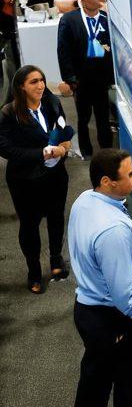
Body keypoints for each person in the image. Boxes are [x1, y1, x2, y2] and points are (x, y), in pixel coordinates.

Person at [69, 148, 132, 407]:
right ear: (107, 181)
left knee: (94, 383)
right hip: (115, 317)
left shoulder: (85, 200)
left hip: (88, 308)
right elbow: (122, 292)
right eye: (130, 174)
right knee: (130, 390)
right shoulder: (113, 231)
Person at [0, 65, 72, 294]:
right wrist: (40, 154)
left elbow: (62, 128)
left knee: (56, 217)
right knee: (30, 226)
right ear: (21, 86)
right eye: (33, 82)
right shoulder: (8, 114)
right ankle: (33, 271)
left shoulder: (51, 103)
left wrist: (65, 145)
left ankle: (55, 260)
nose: (40, 85)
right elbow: (5, 148)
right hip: (25, 180)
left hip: (55, 175)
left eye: (41, 80)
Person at [57, 0, 113, 157]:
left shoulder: (105, 19)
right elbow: (63, 50)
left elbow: (112, 49)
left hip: (102, 78)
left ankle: (107, 149)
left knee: (103, 116)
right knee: (83, 118)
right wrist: (70, 78)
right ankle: (86, 150)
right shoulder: (69, 20)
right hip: (81, 80)